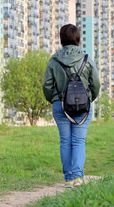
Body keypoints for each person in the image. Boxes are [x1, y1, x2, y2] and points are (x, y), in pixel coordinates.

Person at [42, 24, 100, 188]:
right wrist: (89, 99)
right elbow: (96, 84)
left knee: (65, 141)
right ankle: (78, 178)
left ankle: (68, 179)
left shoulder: (54, 60)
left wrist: (54, 99)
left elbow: (47, 85)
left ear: (61, 39)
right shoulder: (87, 58)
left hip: (60, 106)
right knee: (79, 141)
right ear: (78, 38)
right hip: (83, 107)